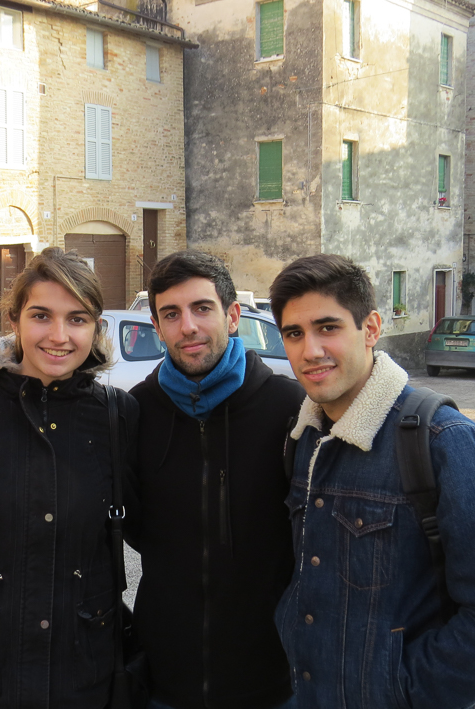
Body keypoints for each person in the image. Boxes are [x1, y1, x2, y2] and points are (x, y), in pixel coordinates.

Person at [268, 254, 475, 709]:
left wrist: (402, 693)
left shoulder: (446, 442)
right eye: (294, 333)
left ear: (371, 328)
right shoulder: (304, 439)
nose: (310, 350)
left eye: (328, 327)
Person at [0, 247, 139, 709]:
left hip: (83, 672)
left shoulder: (117, 416)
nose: (59, 336)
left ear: (96, 328)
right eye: (41, 316)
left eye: (77, 319)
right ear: (14, 320)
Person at [128, 250, 306, 709]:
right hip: (165, 682)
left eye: (202, 308)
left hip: (272, 683)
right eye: (171, 314)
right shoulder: (135, 412)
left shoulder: (291, 410)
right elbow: (132, 525)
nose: (187, 326)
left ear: (232, 316)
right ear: (157, 326)